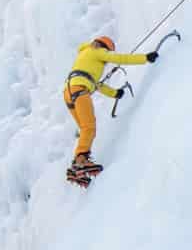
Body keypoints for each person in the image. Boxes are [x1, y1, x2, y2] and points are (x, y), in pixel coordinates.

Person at [63, 35, 155, 185]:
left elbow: (96, 84)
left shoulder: (85, 54)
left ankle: (77, 166)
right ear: (104, 47)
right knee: (89, 127)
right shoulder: (96, 51)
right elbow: (121, 59)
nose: (106, 60)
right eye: (108, 54)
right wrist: (145, 58)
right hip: (79, 90)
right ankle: (80, 161)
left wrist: (115, 93)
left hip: (69, 92)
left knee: (85, 129)